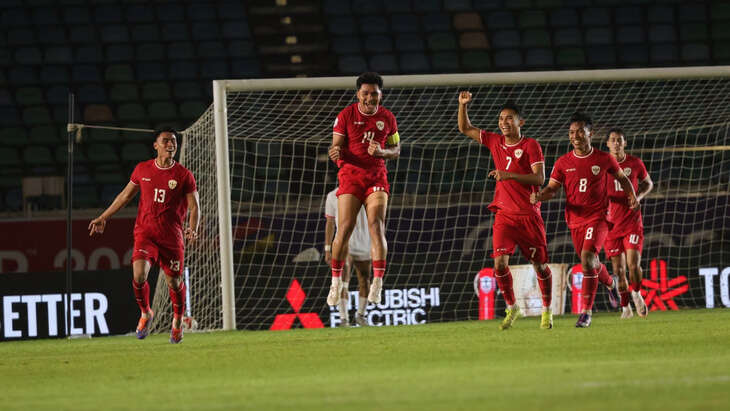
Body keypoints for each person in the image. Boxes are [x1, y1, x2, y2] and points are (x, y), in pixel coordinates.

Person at [89, 128, 200, 343]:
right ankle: (146, 312)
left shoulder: (184, 175)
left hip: (172, 237)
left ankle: (177, 320)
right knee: (139, 276)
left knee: (175, 283)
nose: (171, 145)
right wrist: (104, 216)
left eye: (174, 141)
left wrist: (192, 228)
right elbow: (124, 196)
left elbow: (194, 206)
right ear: (155, 145)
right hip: (146, 234)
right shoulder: (142, 169)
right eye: (165, 141)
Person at [531, 112, 638, 328]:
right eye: (572, 132)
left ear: (591, 132)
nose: (575, 136)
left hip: (598, 218)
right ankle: (610, 283)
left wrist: (632, 195)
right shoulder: (563, 162)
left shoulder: (603, 158)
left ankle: (586, 313)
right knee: (593, 262)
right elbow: (552, 189)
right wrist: (540, 195)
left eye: (580, 131)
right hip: (574, 220)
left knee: (587, 258)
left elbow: (622, 178)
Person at [458, 92, 554, 330]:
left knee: (540, 266)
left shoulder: (531, 145)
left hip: (529, 216)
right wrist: (462, 106)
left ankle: (547, 310)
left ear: (521, 122)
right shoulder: (494, 141)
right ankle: (512, 307)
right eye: (501, 119)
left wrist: (508, 175)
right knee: (499, 264)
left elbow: (540, 178)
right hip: (504, 215)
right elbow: (465, 128)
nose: (503, 122)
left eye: (509, 118)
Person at [327, 72, 400, 307]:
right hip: (350, 175)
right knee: (345, 227)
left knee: (376, 226)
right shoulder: (345, 115)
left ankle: (378, 283)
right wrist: (334, 152)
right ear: (358, 94)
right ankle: (335, 282)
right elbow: (335, 147)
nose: (370, 98)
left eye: (374, 94)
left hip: (376, 175)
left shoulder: (388, 118)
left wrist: (381, 153)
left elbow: (396, 149)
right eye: (365, 93)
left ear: (381, 95)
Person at [605, 128, 653, 318]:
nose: (616, 143)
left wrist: (638, 197)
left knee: (633, 265)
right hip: (610, 226)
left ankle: (637, 293)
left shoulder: (635, 163)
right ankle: (625, 308)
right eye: (612, 140)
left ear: (625, 143)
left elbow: (649, 183)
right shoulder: (601, 165)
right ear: (607, 144)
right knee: (619, 271)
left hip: (632, 222)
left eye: (619, 140)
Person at [324, 187, 372, 327]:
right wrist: (328, 249)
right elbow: (330, 223)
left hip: (364, 243)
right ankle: (343, 319)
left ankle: (360, 315)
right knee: (343, 280)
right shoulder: (332, 195)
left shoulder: (367, 192)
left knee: (365, 279)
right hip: (345, 243)